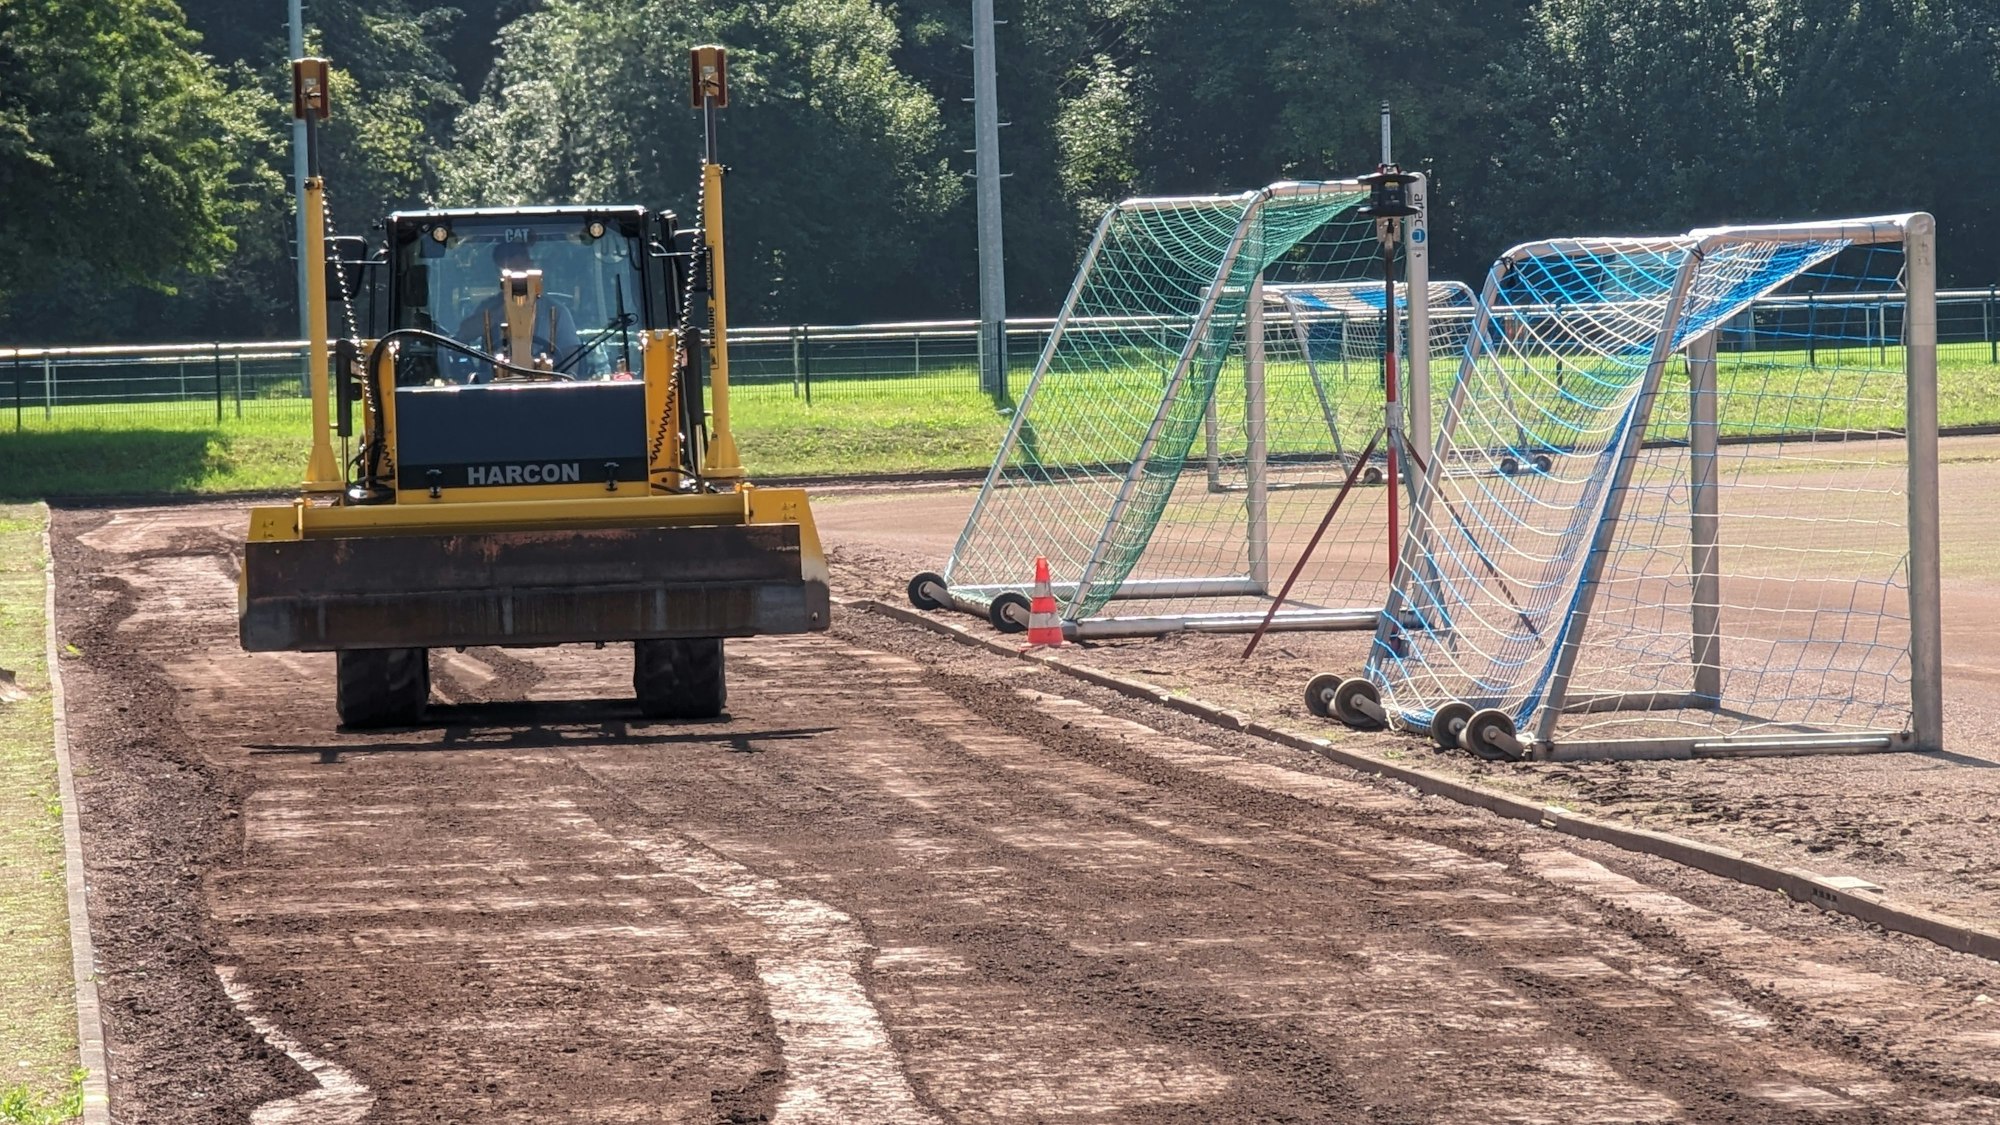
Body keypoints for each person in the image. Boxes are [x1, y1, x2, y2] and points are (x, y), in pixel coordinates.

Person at [453, 238, 583, 378]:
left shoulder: (556, 312)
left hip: (547, 387)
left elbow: (571, 354)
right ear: (501, 277)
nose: (518, 279)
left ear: (531, 268)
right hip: (493, 389)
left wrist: (566, 380)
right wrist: (501, 312)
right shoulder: (488, 308)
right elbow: (463, 335)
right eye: (512, 271)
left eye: (521, 268)